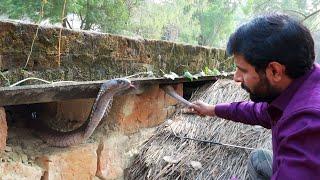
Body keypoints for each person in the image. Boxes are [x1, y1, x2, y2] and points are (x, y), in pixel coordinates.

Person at [190, 13, 320, 179]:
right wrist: (212, 109)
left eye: (243, 70)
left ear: (275, 71)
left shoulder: (308, 124)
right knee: (259, 158)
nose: (236, 77)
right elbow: (259, 112)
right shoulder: (300, 83)